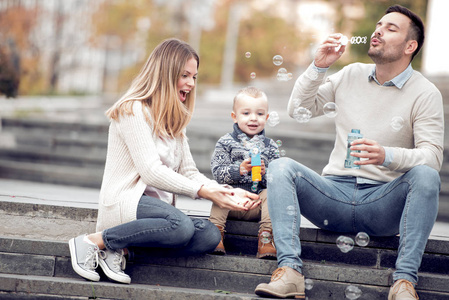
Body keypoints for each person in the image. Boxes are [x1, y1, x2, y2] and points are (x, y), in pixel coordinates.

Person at [255, 5, 443, 300]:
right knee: (280, 167)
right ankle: (289, 272)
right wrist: (319, 67)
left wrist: (386, 156)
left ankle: (404, 283)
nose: (378, 30)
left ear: (411, 46)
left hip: (382, 203)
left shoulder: (425, 93)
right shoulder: (351, 74)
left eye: (391, 28)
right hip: (333, 197)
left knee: (427, 177)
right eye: (379, 25)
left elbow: (432, 156)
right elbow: (299, 109)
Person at [68, 38, 259, 284]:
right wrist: (204, 192)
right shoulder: (133, 109)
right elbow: (150, 171)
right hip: (127, 202)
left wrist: (226, 191)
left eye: (194, 77)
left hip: (157, 213)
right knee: (181, 226)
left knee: (209, 235)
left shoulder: (173, 122)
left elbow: (189, 172)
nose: (191, 83)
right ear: (166, 73)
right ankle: (93, 241)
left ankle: (122, 249)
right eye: (185, 75)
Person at [209, 86, 280, 259]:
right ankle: (215, 236)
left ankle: (266, 238)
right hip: (231, 203)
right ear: (234, 116)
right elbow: (217, 173)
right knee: (221, 190)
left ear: (267, 117)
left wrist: (266, 173)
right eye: (246, 113)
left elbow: (280, 180)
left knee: (272, 193)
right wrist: (238, 169)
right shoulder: (225, 142)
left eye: (260, 114)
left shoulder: (270, 147)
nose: (253, 118)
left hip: (258, 206)